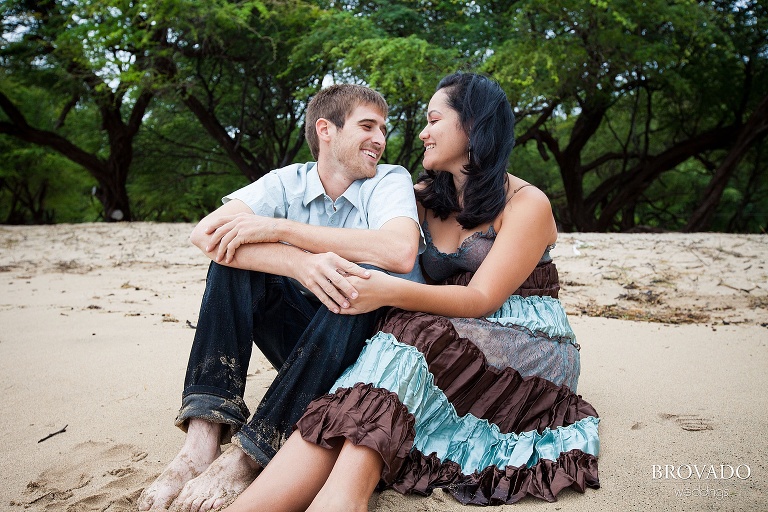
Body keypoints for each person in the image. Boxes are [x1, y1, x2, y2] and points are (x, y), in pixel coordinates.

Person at [221, 72, 600, 512]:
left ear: (473, 126)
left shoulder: (526, 203)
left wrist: (386, 291)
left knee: (406, 332)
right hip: (436, 326)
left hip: (524, 339)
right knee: (391, 345)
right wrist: (289, 247)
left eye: (434, 119)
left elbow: (481, 300)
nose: (421, 132)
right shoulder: (418, 197)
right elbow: (357, 242)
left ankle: (343, 498)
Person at [137, 83, 423, 512]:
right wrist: (298, 264)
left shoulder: (389, 180)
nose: (380, 139)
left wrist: (284, 232)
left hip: (372, 360)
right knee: (231, 262)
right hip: (307, 348)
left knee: (353, 283)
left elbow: (399, 252)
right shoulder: (287, 182)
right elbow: (205, 234)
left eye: (383, 129)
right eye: (368, 126)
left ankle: (251, 454)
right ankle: (202, 441)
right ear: (326, 129)